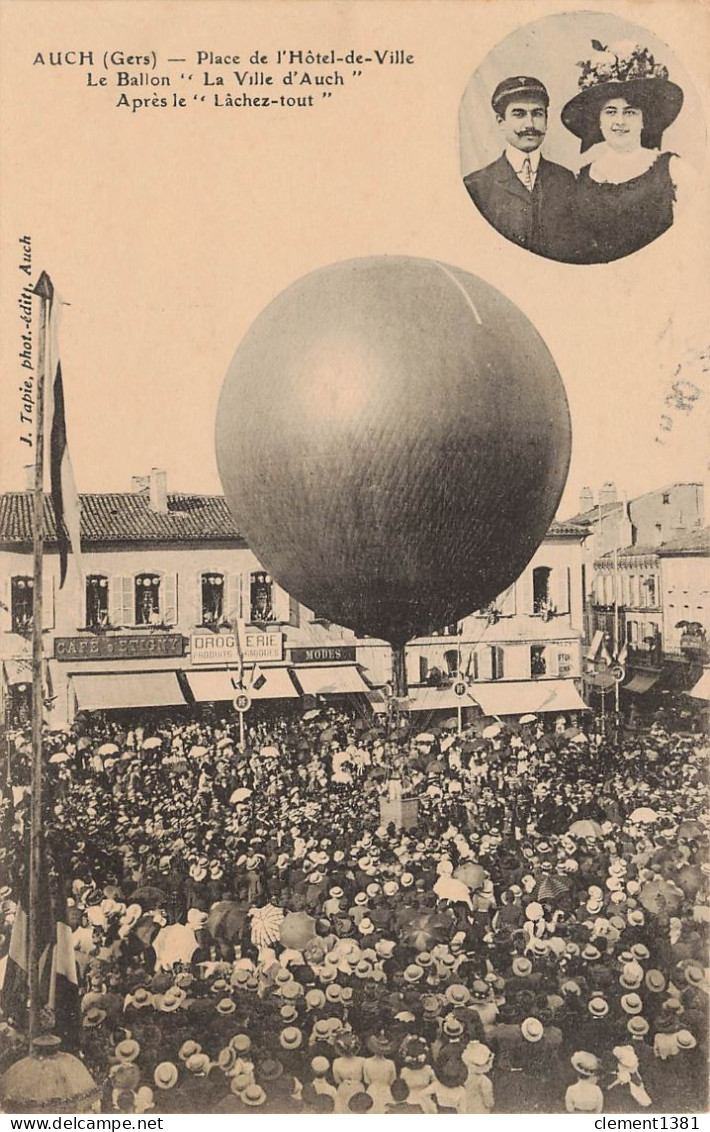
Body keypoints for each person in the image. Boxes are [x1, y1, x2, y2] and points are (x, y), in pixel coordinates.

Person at [562, 41, 692, 263]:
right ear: (599, 122)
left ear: (644, 120)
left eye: (630, 112)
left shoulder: (673, 169)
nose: (620, 121)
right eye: (610, 112)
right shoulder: (582, 178)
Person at [463, 76, 577, 261]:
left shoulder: (565, 179)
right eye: (519, 114)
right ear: (501, 122)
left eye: (537, 114)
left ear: (547, 121)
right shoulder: (477, 185)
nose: (530, 124)